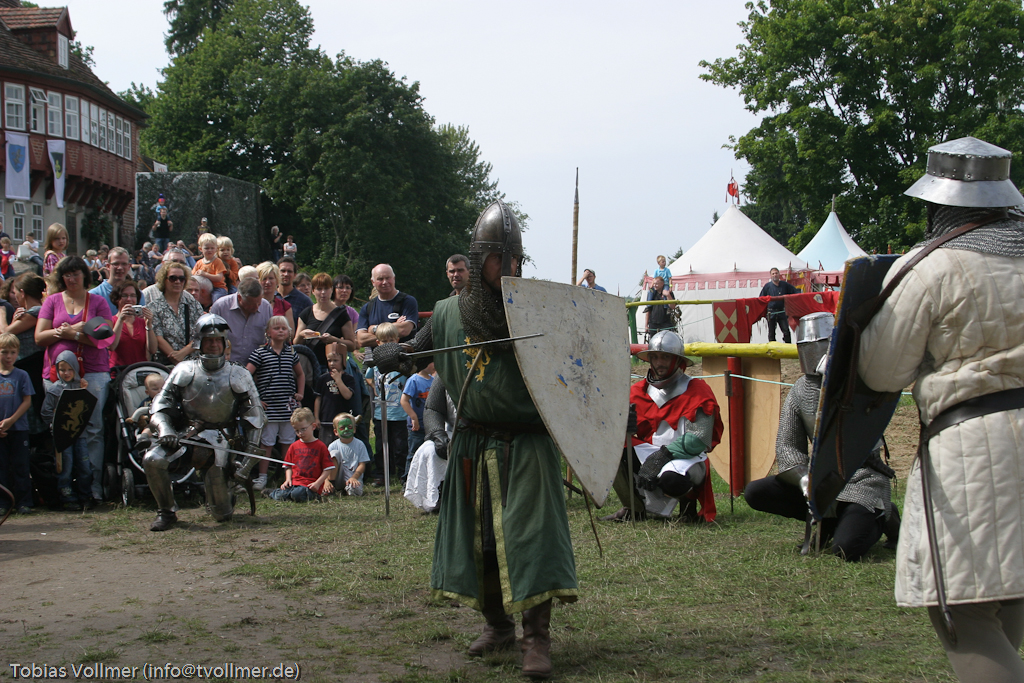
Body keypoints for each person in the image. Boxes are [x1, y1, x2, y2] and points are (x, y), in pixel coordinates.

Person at [373, 200, 575, 678]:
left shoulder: (540, 309)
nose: (506, 267)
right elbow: (418, 348)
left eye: (513, 258)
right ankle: (497, 626)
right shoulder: (448, 311)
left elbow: (577, 369)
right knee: (479, 541)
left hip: (527, 444)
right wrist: (394, 353)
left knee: (532, 540)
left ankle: (536, 639)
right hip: (472, 442)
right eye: (497, 257)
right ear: (479, 256)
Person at [857, 137, 1024, 682]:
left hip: (976, 449)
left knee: (965, 611)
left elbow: (882, 372)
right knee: (1010, 591)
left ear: (940, 204)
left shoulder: (931, 267)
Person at [744, 313, 898, 560]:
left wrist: (839, 380)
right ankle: (833, 519)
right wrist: (805, 479)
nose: (813, 353)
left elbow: (866, 435)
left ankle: (883, 511)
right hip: (822, 480)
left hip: (862, 480)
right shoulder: (800, 390)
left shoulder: (859, 382)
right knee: (756, 492)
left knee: (846, 549)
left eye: (819, 345)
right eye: (807, 347)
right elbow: (788, 447)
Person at [144, 313, 266, 531]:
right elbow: (159, 405)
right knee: (153, 459)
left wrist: (246, 462)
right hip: (187, 435)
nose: (213, 344)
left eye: (218, 340)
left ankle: (224, 495)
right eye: (209, 340)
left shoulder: (238, 373)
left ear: (224, 342)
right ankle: (166, 511)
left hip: (221, 440)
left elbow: (255, 417)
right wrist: (165, 429)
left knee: (222, 514)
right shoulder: (183, 369)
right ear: (199, 342)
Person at [601, 330, 722, 523]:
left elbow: (699, 438)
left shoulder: (697, 391)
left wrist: (662, 456)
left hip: (687, 459)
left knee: (672, 480)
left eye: (665, 357)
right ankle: (633, 508)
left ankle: (688, 506)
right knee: (613, 450)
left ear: (677, 360)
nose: (659, 363)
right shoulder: (638, 391)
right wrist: (623, 427)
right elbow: (617, 431)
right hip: (651, 452)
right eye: (655, 357)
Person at [35, 255, 114, 504]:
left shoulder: (98, 302)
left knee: (93, 428)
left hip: (92, 371)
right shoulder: (52, 301)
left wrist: (75, 335)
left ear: (84, 275)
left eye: (76, 273)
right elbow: (39, 337)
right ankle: (64, 488)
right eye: (67, 275)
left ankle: (93, 487)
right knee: (61, 429)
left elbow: (105, 338)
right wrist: (64, 332)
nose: (71, 279)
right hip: (57, 374)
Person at [246, 316, 304, 491]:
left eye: (283, 328)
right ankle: (262, 477)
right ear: (268, 332)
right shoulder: (259, 353)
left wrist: (300, 393)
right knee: (267, 443)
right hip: (269, 407)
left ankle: (288, 476)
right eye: (276, 328)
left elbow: (300, 374)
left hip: (288, 407)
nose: (280, 331)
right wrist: (255, 399)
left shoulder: (291, 353)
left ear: (289, 333)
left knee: (288, 442)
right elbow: (246, 375)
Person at [41, 349, 88, 511]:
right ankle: (67, 496)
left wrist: (84, 391)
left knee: (84, 465)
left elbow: (87, 408)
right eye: (62, 370)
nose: (66, 373)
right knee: (65, 466)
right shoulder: (54, 390)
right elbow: (45, 412)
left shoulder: (81, 385)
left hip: (80, 433)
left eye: (70, 369)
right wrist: (55, 424)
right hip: (62, 435)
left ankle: (85, 495)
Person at [363, 323, 407, 487]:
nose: (388, 344)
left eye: (391, 340)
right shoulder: (376, 362)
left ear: (397, 340)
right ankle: (382, 473)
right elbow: (368, 376)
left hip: (400, 412)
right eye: (384, 341)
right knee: (382, 445)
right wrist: (374, 387)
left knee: (400, 446)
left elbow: (410, 378)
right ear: (378, 343)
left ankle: (403, 473)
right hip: (381, 412)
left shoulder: (403, 361)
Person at [404, 377, 454, 514]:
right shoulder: (445, 374)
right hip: (452, 432)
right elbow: (433, 409)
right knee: (429, 450)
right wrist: (437, 433)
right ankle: (435, 497)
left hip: (487, 432)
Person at [264, 407, 334, 502]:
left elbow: (328, 468)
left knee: (297, 493)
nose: (300, 433)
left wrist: (317, 484)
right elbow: (288, 466)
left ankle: (293, 496)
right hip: (294, 484)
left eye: (303, 429)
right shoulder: (293, 446)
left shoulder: (321, 446)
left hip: (310, 486)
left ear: (313, 426)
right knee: (284, 494)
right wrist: (287, 479)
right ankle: (274, 493)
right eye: (297, 431)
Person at [0, 333, 35, 515]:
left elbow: (27, 401)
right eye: (4, 352)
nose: (8, 356)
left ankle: (24, 502)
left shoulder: (22, 375)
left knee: (21, 466)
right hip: (1, 431)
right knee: (2, 467)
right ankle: (3, 503)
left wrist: (11, 420)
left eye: (12, 352)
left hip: (19, 428)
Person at [294, 273, 356, 370]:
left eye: (326, 288)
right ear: (313, 291)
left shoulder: (341, 314)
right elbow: (296, 343)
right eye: (319, 289)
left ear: (331, 290)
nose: (323, 292)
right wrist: (302, 335)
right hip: (310, 366)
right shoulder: (306, 313)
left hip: (332, 368)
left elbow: (352, 345)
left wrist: (334, 340)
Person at [146, 261, 204, 366]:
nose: (177, 282)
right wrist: (175, 357)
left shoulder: (193, 304)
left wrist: (183, 353)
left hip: (193, 363)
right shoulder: (153, 307)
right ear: (164, 280)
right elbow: (158, 337)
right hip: (166, 364)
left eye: (181, 279)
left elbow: (202, 333)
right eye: (173, 278)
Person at [211, 278, 273, 371]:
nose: (257, 307)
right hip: (226, 369)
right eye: (252, 304)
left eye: (259, 303)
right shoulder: (221, 307)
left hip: (257, 370)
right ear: (239, 297)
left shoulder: (266, 307)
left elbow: (270, 340)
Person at [356, 264, 418, 347]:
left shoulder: (407, 301)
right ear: (373, 282)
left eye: (388, 278)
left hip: (404, 354)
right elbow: (362, 340)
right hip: (377, 355)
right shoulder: (367, 308)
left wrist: (374, 329)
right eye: (380, 279)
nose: (385, 282)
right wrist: (394, 328)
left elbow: (404, 330)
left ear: (394, 278)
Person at [109, 280, 156, 368]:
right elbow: (111, 346)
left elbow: (153, 350)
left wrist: (149, 325)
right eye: (124, 295)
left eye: (133, 296)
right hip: (118, 371)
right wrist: (120, 320)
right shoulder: (111, 321)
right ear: (116, 299)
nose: (129, 299)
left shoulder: (142, 322)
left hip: (140, 369)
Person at [313, 351, 355, 449]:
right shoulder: (322, 379)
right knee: (326, 447)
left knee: (343, 446)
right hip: (326, 419)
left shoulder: (348, 379)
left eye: (335, 360)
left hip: (343, 420)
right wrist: (316, 417)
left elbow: (347, 395)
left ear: (343, 361)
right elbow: (318, 399)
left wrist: (338, 380)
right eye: (329, 361)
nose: (332, 363)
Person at [401, 361, 434, 481]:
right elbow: (404, 401)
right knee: (413, 454)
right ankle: (407, 480)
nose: (435, 365)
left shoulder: (433, 380)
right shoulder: (413, 380)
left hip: (430, 425)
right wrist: (413, 417)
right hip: (417, 427)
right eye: (432, 362)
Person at [327, 412, 370, 496]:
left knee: (354, 491)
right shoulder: (333, 446)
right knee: (334, 453)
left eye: (349, 427)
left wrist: (354, 477)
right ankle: (332, 485)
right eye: (342, 428)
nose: (346, 429)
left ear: (354, 429)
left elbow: (362, 464)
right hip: (338, 478)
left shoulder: (360, 444)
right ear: (336, 432)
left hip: (353, 478)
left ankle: (348, 489)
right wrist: (326, 481)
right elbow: (326, 465)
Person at [759, 267, 798, 343]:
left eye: (776, 273)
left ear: (779, 274)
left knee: (786, 331)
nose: (775, 275)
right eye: (773, 273)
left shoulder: (785, 285)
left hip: (782, 312)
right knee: (771, 333)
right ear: (771, 275)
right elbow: (761, 298)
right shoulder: (767, 286)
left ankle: (788, 347)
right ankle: (773, 348)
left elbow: (795, 292)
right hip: (771, 312)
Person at [255, 262, 294, 331]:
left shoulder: (285, 306)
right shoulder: (252, 304)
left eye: (271, 278)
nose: (267, 282)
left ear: (277, 280)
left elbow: (291, 333)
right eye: (264, 279)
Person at [192, 233, 229, 303]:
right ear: (200, 249)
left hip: (217, 288)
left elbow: (219, 278)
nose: (210, 250)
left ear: (216, 249)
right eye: (207, 248)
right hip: (203, 289)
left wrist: (205, 274)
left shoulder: (217, 261)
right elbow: (193, 277)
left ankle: (215, 309)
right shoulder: (199, 263)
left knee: (216, 298)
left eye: (212, 248)